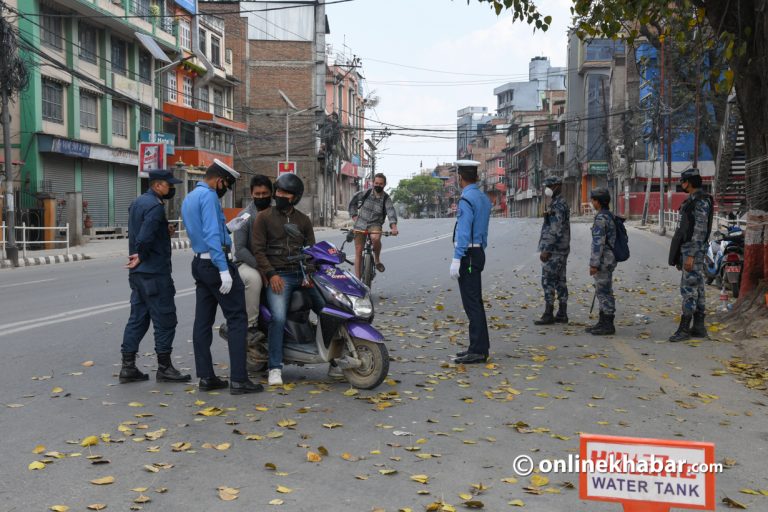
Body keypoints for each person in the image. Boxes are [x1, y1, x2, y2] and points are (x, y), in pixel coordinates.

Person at [181, 159, 263, 395]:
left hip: (199, 262)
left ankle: (206, 377)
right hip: (215, 264)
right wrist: (224, 269)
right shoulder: (208, 197)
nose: (224, 190)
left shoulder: (191, 197)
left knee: (203, 321)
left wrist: (229, 228)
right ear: (219, 181)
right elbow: (210, 236)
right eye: (226, 185)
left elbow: (206, 230)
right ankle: (239, 379)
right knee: (238, 318)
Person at [251, 173, 325, 386]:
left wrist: (309, 273)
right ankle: (275, 368)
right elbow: (258, 250)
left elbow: (312, 250)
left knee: (328, 311)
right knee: (279, 318)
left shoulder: (303, 220)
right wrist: (271, 273)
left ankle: (336, 360)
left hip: (302, 274)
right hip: (279, 275)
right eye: (278, 191)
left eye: (285, 193)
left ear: (295, 197)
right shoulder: (264, 217)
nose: (279, 195)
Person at [119, 170, 190, 384]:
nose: (172, 189)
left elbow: (145, 229)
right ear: (158, 185)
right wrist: (141, 254)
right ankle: (165, 367)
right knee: (165, 319)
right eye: (169, 185)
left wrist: (163, 230)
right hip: (154, 273)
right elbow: (145, 234)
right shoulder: (155, 206)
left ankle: (128, 367)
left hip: (139, 276)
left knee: (138, 318)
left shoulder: (138, 202)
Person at [449, 160, 492, 364]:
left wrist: (457, 258)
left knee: (472, 304)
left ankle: (478, 350)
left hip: (468, 254)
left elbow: (464, 232)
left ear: (460, 177)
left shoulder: (466, 199)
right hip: (478, 252)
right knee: (476, 302)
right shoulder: (483, 197)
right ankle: (478, 347)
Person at [232, 174, 272, 369]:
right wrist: (261, 267)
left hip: (273, 263)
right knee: (254, 279)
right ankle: (251, 327)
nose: (261, 196)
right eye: (258, 193)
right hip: (248, 264)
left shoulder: (278, 214)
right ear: (251, 194)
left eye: (265, 193)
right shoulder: (245, 217)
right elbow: (240, 248)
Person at [669, 168, 713, 342]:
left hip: (693, 251)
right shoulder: (694, 200)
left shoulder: (701, 201)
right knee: (699, 287)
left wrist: (691, 255)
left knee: (688, 289)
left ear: (689, 182)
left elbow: (700, 230)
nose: (682, 184)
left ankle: (685, 329)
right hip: (690, 249)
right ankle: (699, 327)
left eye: (683, 181)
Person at [348, 173, 399, 279]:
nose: (378, 185)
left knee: (375, 238)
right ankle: (358, 281)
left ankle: (377, 259)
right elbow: (352, 203)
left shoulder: (386, 198)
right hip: (360, 223)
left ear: (384, 185)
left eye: (381, 184)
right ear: (372, 183)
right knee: (358, 250)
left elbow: (390, 212)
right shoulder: (365, 193)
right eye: (376, 183)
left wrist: (394, 227)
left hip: (375, 224)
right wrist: (354, 216)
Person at [535, 176, 571, 325]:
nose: (547, 188)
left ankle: (548, 313)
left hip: (555, 250)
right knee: (560, 280)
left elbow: (555, 229)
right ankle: (562, 313)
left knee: (548, 280)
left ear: (557, 185)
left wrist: (546, 249)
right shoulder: (559, 203)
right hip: (562, 249)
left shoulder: (558, 205)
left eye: (549, 185)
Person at [585, 188, 617, 336]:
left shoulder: (601, 218)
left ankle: (608, 324)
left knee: (603, 292)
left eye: (593, 200)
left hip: (603, 261)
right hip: (609, 259)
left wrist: (594, 264)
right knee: (603, 290)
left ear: (598, 201)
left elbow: (598, 244)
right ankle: (602, 321)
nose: (591, 202)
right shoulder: (609, 216)